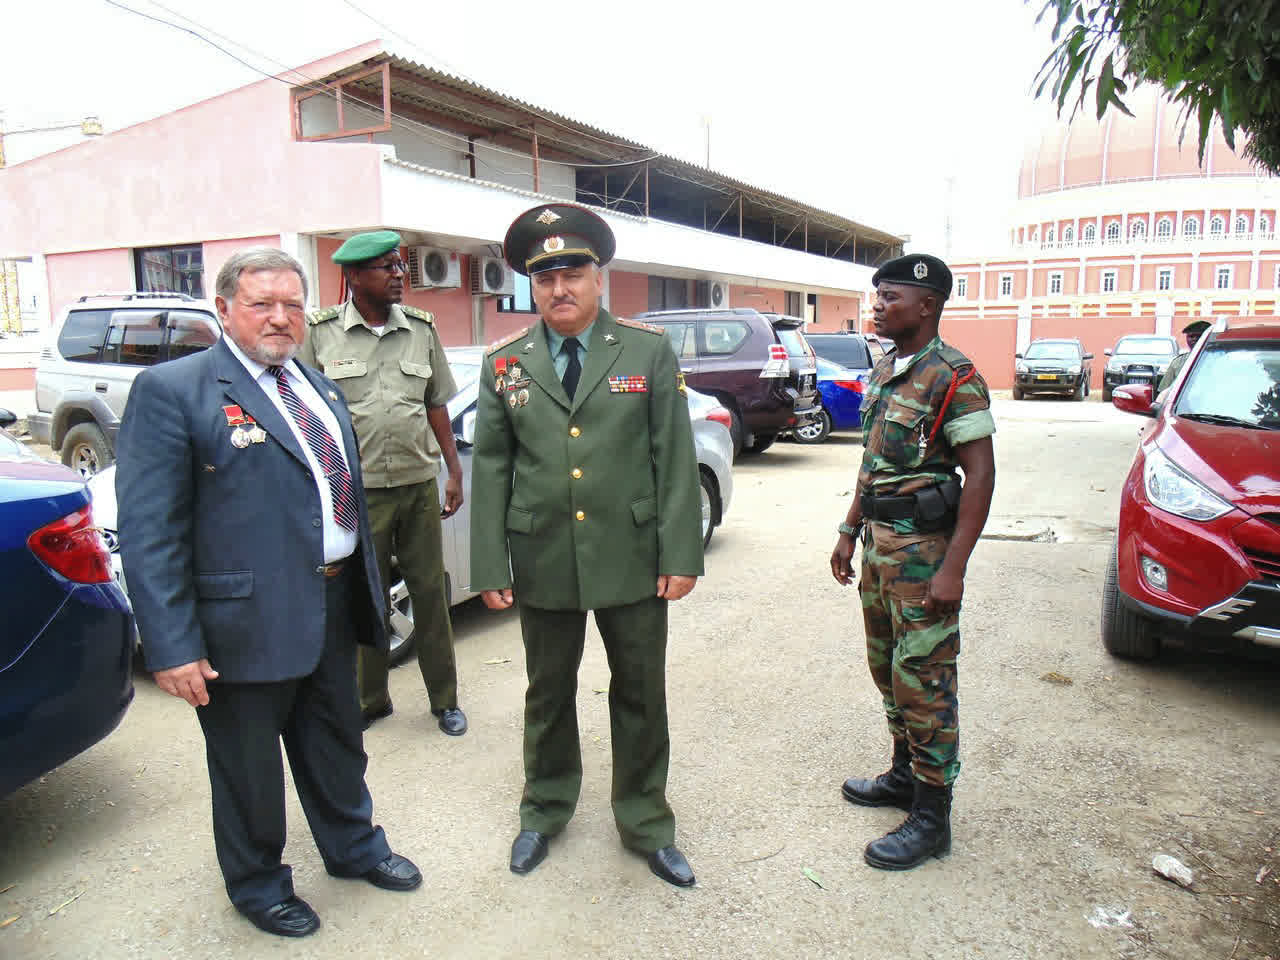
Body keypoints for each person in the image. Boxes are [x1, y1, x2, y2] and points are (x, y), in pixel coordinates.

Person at [116, 247, 422, 938]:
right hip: (240, 628)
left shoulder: (316, 385)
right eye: (262, 304)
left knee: (337, 744)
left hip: (330, 607)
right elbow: (149, 530)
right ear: (224, 310)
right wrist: (172, 646)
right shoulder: (176, 391)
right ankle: (258, 884)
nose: (281, 318)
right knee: (249, 770)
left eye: (292, 304)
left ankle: (353, 849)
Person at [469, 203, 704, 887]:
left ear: (599, 278)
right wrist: (491, 562)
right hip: (541, 555)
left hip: (632, 556)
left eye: (572, 273)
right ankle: (543, 811)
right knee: (547, 692)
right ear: (531, 288)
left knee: (639, 692)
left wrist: (680, 554)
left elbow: (673, 458)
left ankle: (646, 822)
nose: (558, 289)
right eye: (544, 279)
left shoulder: (645, 352)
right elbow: (491, 469)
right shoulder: (506, 364)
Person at [830, 253, 996, 871]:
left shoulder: (954, 376)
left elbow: (980, 474)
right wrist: (849, 531)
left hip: (925, 557)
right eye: (876, 294)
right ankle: (903, 773)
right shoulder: (885, 370)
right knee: (888, 669)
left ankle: (932, 816)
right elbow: (871, 465)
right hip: (879, 549)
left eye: (890, 296)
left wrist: (953, 568)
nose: (878, 304)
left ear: (926, 305)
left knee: (925, 678)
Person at [299, 230, 467, 736]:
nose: (400, 276)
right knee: (366, 597)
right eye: (386, 268)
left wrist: (453, 470)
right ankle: (370, 699)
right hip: (357, 489)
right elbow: (304, 409)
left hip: (417, 484)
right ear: (351, 277)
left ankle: (445, 701)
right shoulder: (320, 333)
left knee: (430, 595)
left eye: (400, 266)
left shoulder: (420, 328)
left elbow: (436, 402)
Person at [1157, 319, 1211, 392]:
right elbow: (1163, 391)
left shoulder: (1218, 360)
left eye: (1199, 336)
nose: (1194, 339)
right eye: (1191, 336)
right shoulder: (1178, 362)